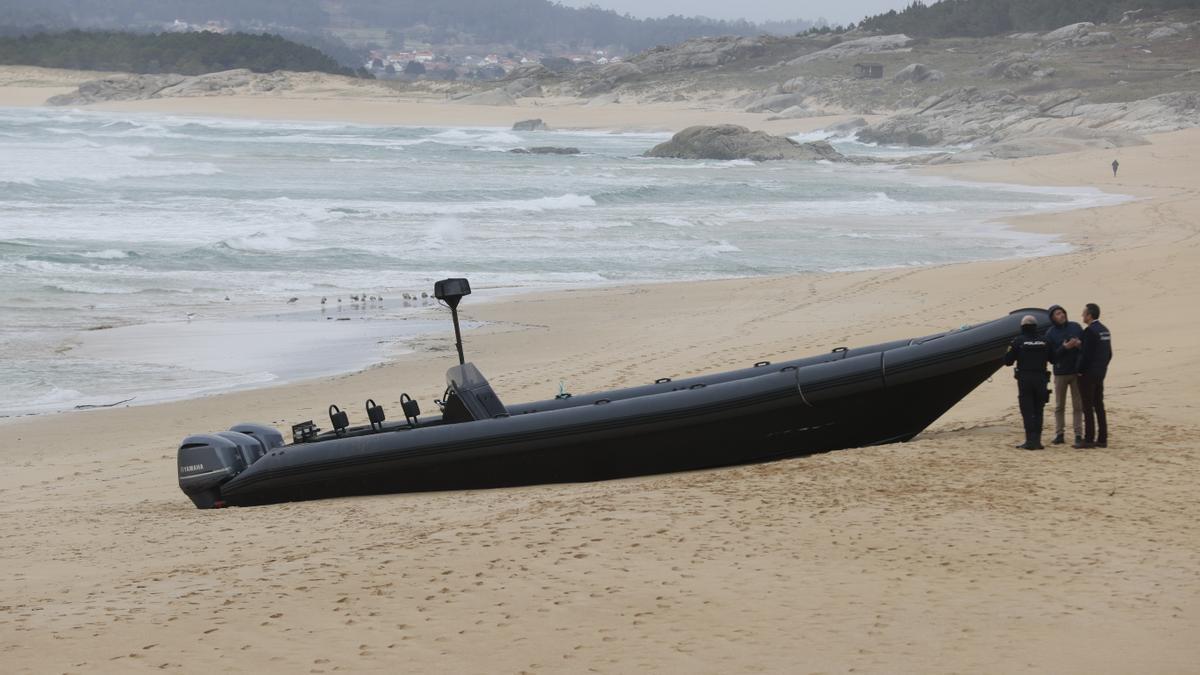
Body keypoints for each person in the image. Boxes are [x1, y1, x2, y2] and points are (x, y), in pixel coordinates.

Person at [1004, 315, 1051, 450]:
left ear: (1022, 327)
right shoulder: (1045, 341)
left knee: (1027, 410)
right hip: (1041, 379)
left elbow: (1007, 361)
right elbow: (1053, 358)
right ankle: (1037, 441)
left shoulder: (1018, 341)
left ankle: (1030, 441)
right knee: (1039, 409)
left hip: (1025, 380)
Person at [1045, 304, 1084, 445]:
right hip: (1060, 373)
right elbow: (1051, 357)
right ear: (1052, 318)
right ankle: (1059, 434)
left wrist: (1079, 344)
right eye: (1057, 314)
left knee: (1077, 406)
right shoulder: (1050, 333)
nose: (1061, 315)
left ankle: (1078, 435)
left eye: (1062, 312)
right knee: (1059, 405)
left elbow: (1086, 348)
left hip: (1076, 372)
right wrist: (1064, 348)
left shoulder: (1076, 327)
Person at [1075, 303, 1112, 448]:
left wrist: (1080, 370)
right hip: (1100, 373)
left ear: (1089, 315)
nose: (1082, 316)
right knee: (1099, 405)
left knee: (1088, 406)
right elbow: (1109, 354)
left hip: (1088, 374)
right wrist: (1102, 368)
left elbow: (1086, 355)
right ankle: (1102, 438)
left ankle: (1089, 439)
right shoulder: (1104, 330)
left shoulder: (1089, 331)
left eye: (1084, 313)